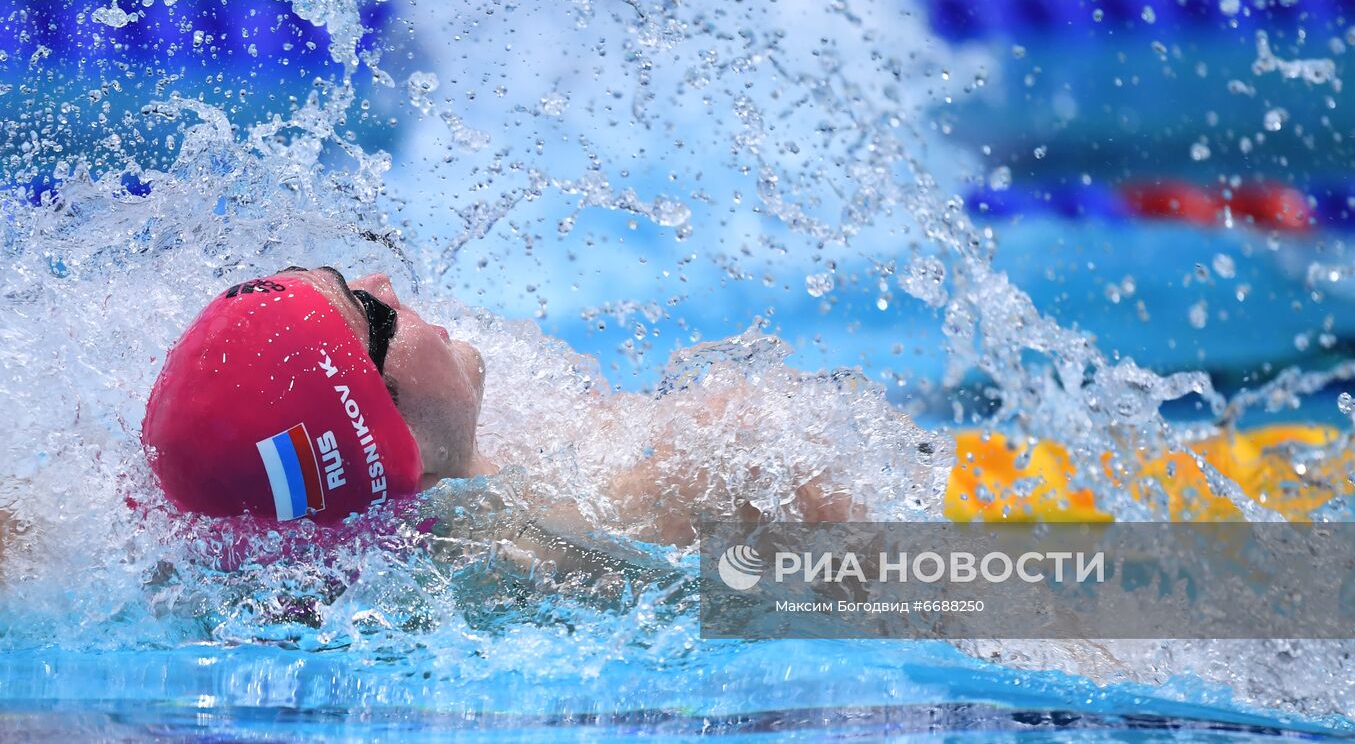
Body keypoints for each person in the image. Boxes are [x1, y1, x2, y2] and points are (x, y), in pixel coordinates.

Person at [141, 267, 852, 548]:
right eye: (368, 309)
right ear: (387, 434)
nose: (383, 281)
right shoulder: (679, 479)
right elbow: (954, 577)